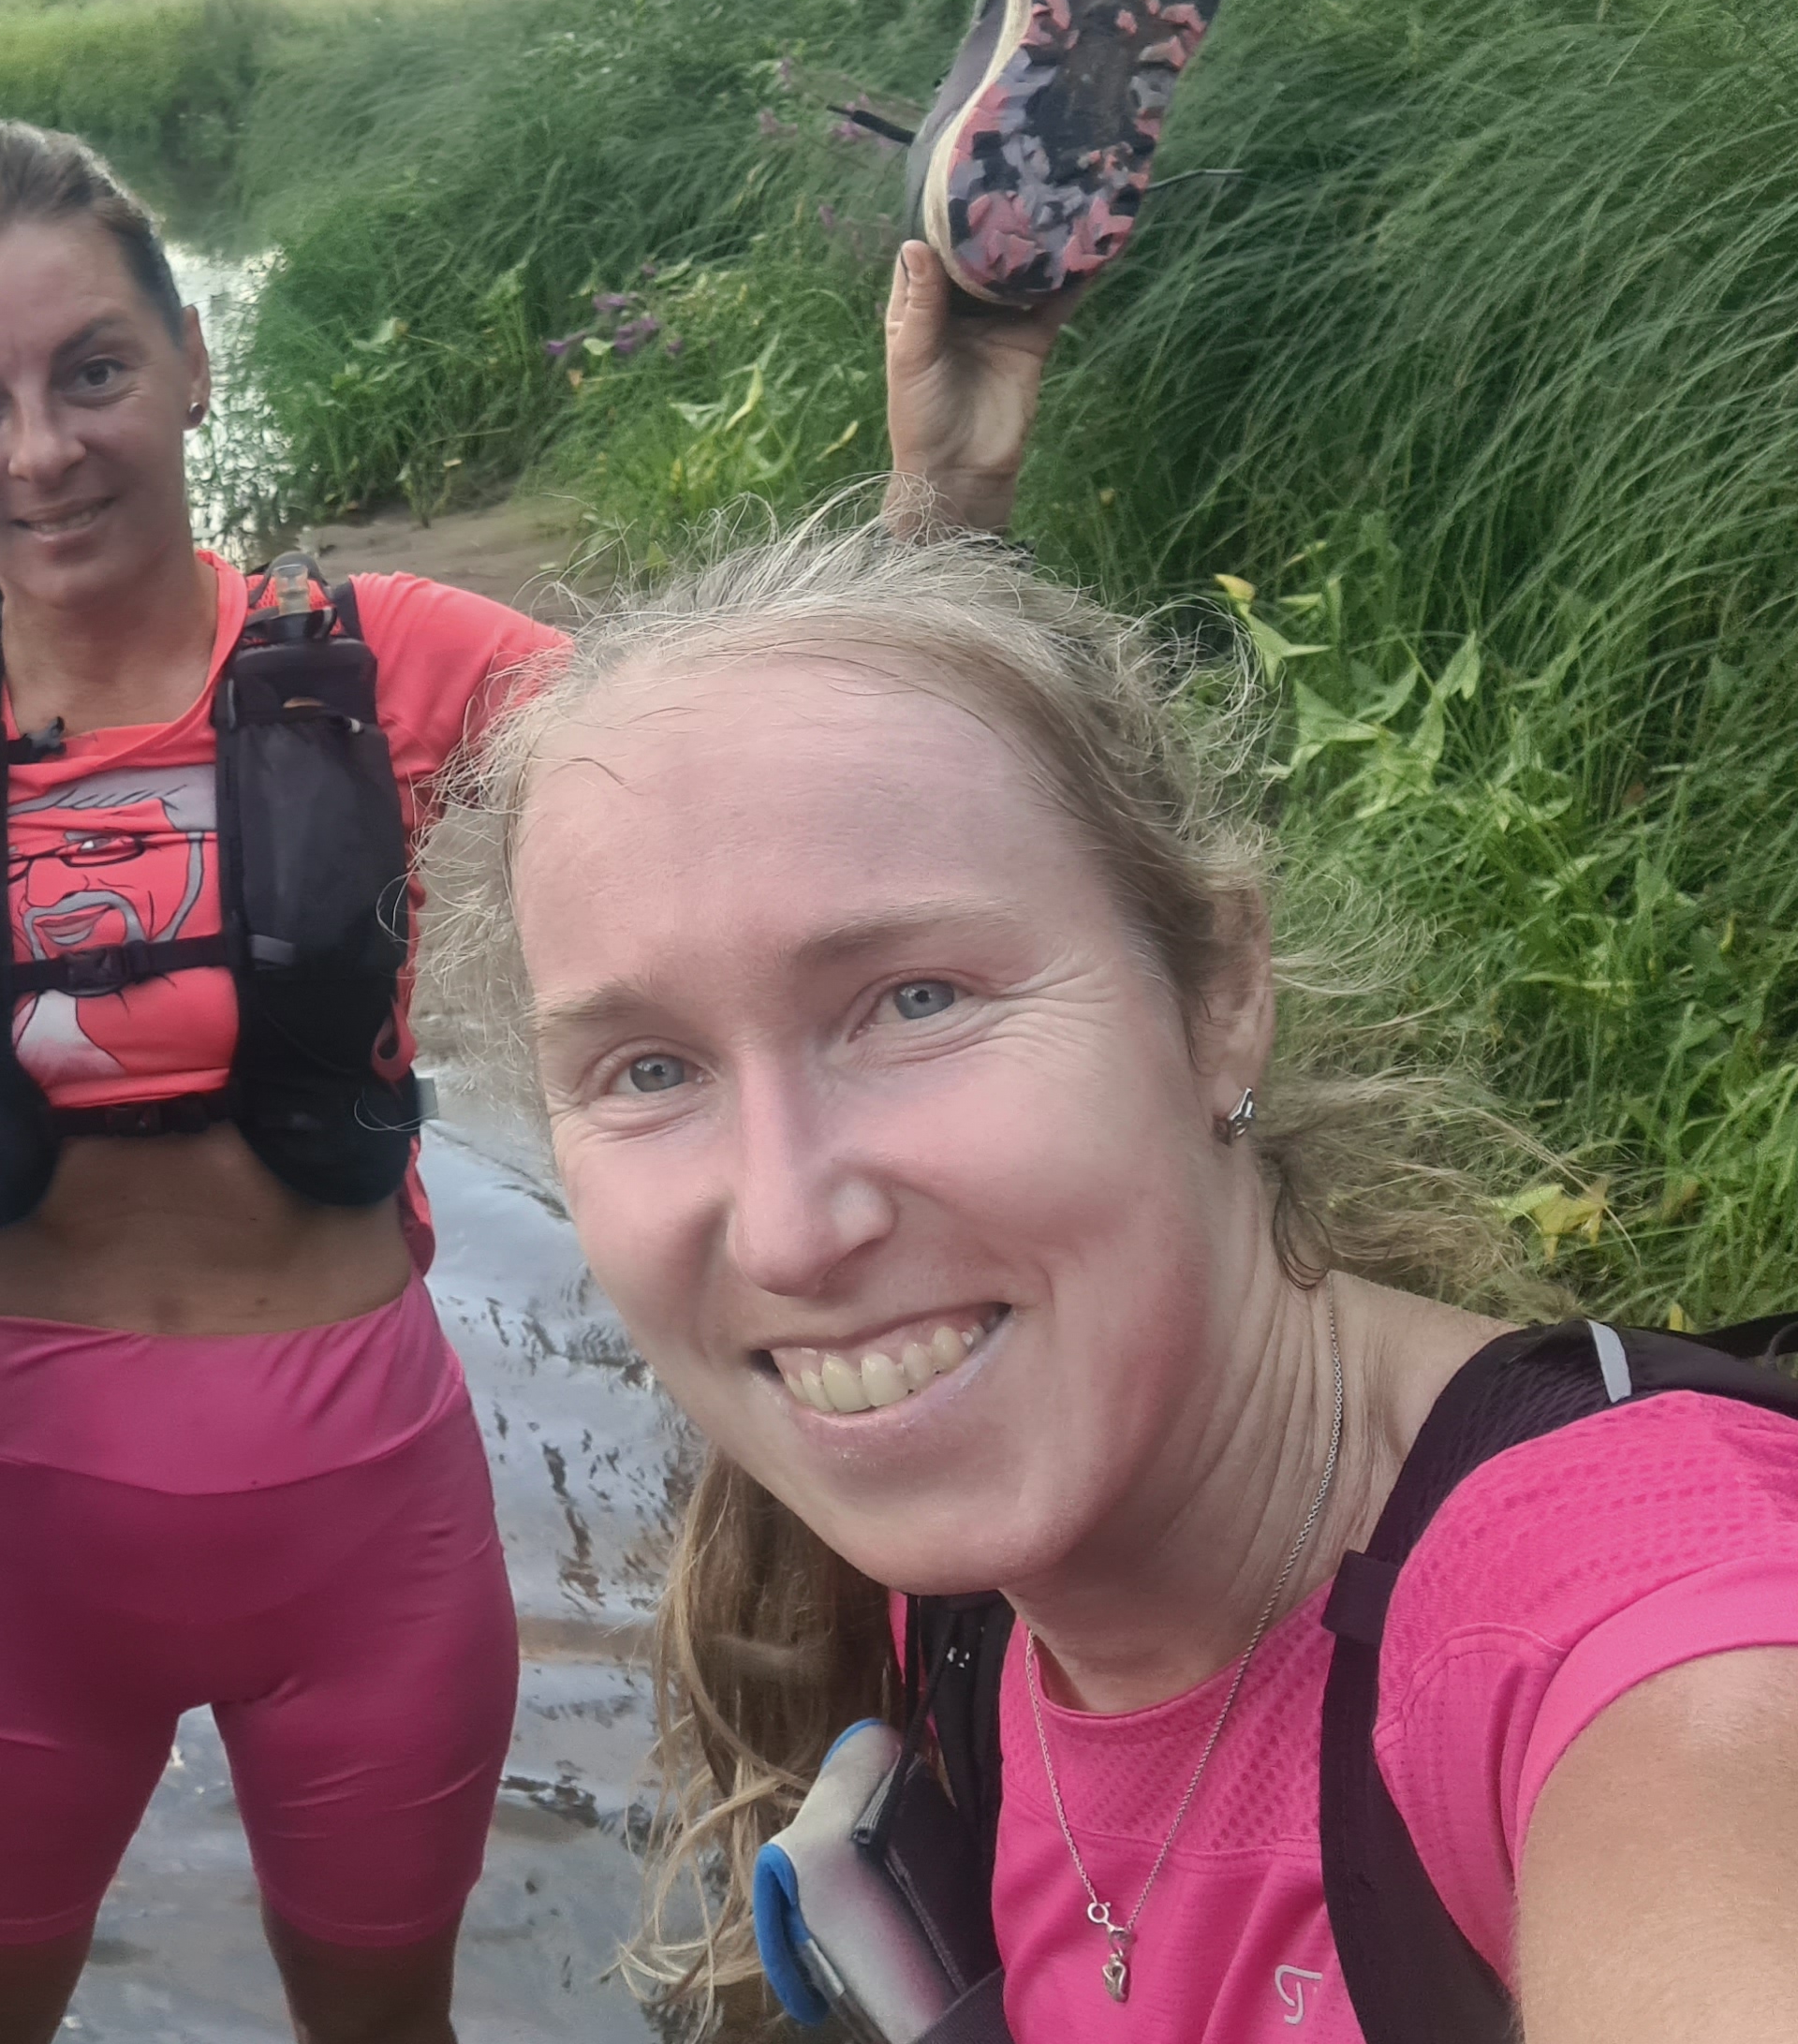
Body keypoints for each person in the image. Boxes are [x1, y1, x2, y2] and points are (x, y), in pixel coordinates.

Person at [0, 121, 1074, 2044]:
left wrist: (943, 495)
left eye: (93, 371)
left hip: (362, 1531)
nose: (40, 450)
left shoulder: (384, 665)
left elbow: (786, 765)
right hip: (10, 1543)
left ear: (191, 359)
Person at [432, 513, 1798, 2041]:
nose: (788, 1234)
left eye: (918, 1000)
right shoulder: (958, 1591)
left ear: (1221, 994)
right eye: (649, 1069)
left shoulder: (1637, 1654)